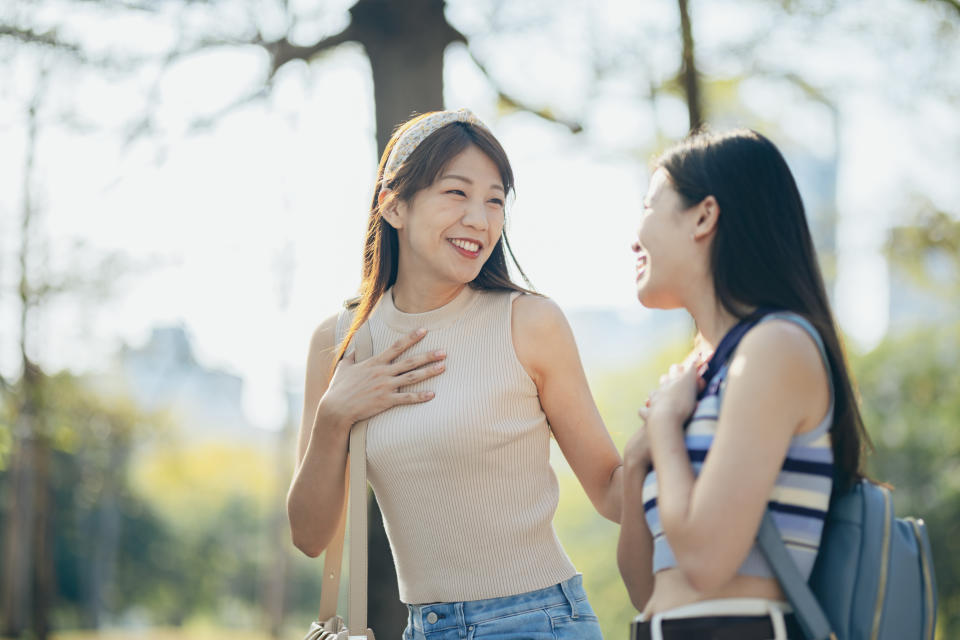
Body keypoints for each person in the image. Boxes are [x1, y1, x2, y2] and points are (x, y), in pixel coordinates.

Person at [287, 108, 622, 640]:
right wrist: (335, 415)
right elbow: (308, 536)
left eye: (495, 200)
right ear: (394, 205)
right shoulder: (341, 341)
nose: (480, 219)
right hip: (422, 628)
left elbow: (610, 489)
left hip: (538, 621)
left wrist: (685, 447)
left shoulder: (529, 321)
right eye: (456, 193)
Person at [617, 129, 871, 640]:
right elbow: (647, 588)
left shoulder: (776, 346)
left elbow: (707, 562)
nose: (633, 236)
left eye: (648, 206)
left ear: (704, 216)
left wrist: (665, 426)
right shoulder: (701, 371)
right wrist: (634, 467)